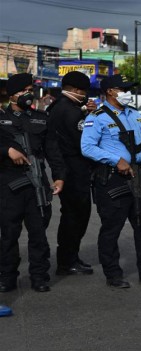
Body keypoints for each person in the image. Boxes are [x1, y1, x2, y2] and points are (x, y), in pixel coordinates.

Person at [81, 75, 141, 288]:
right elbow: (87, 147)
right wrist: (115, 160)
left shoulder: (135, 115)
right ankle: (113, 274)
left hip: (139, 178)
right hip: (113, 179)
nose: (127, 93)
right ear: (110, 92)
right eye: (123, 89)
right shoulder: (97, 117)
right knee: (112, 229)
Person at [0, 73, 66, 293]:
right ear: (13, 95)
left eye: (31, 89)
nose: (29, 94)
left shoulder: (40, 118)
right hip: (9, 184)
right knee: (9, 234)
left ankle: (39, 276)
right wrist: (7, 150)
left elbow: (53, 151)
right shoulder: (1, 118)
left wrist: (59, 176)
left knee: (38, 234)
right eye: (25, 89)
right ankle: (7, 277)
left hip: (37, 183)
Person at [48, 71, 97, 276]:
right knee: (76, 216)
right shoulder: (71, 111)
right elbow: (83, 142)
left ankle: (69, 259)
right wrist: (90, 115)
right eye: (83, 91)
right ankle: (68, 261)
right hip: (75, 170)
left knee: (72, 215)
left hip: (65, 168)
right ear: (77, 90)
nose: (85, 95)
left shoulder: (56, 106)